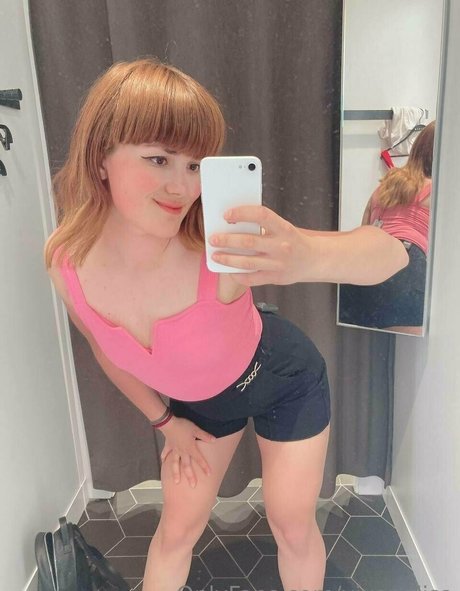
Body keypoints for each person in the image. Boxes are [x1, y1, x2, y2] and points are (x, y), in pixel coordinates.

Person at [44, 58, 408, 591]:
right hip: (202, 406)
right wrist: (165, 422)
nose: (181, 186)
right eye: (159, 158)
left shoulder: (216, 252)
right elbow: (104, 348)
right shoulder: (67, 265)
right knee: (175, 533)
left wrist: (305, 255)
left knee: (292, 525)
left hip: (283, 379)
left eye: (196, 166)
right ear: (100, 158)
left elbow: (391, 256)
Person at [338, 121, 434, 336]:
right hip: (407, 269)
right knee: (410, 351)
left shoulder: (384, 187)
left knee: (360, 347)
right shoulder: (440, 191)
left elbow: (364, 231)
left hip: (361, 268)